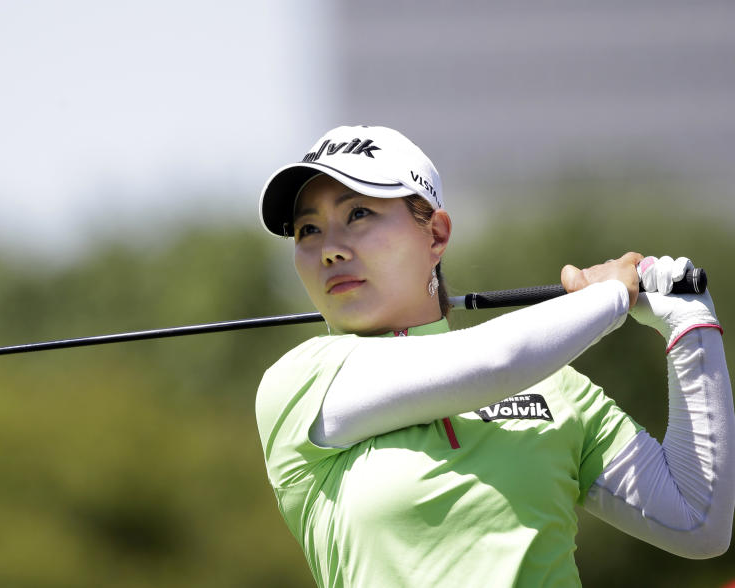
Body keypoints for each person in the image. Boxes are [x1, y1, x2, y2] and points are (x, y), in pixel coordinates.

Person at [253, 125, 733, 587]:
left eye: (358, 214)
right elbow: (494, 363)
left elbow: (698, 523)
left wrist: (690, 329)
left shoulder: (555, 385)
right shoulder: (300, 383)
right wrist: (610, 298)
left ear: (436, 235)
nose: (329, 250)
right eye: (307, 230)